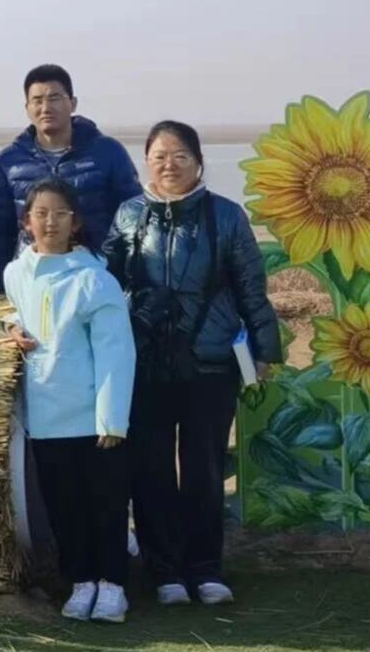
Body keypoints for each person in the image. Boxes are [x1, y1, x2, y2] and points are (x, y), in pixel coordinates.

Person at [104, 121, 280, 609]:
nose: (169, 165)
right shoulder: (128, 215)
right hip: (145, 362)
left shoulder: (226, 216)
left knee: (204, 469)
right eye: (159, 156)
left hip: (210, 362)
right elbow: (104, 284)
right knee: (151, 469)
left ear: (199, 163)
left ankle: (206, 569)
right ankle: (164, 571)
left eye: (180, 155)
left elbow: (251, 287)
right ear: (146, 162)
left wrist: (264, 348)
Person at [2, 180, 136, 624]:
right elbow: (13, 310)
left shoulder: (95, 280)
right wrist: (11, 328)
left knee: (106, 504)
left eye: (60, 213)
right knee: (63, 505)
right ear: (27, 221)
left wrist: (111, 419)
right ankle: (80, 580)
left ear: (75, 222)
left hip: (91, 416)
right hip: (44, 413)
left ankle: (112, 584)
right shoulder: (16, 272)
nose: (50, 222)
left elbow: (116, 352)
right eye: (41, 213)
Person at [0, 65, 142, 293]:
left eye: (54, 98)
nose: (45, 108)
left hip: (95, 275)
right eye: (37, 100)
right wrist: (0, 286)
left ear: (73, 103)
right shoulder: (9, 161)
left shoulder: (108, 152)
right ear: (27, 108)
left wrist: (124, 276)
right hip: (34, 278)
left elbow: (133, 216)